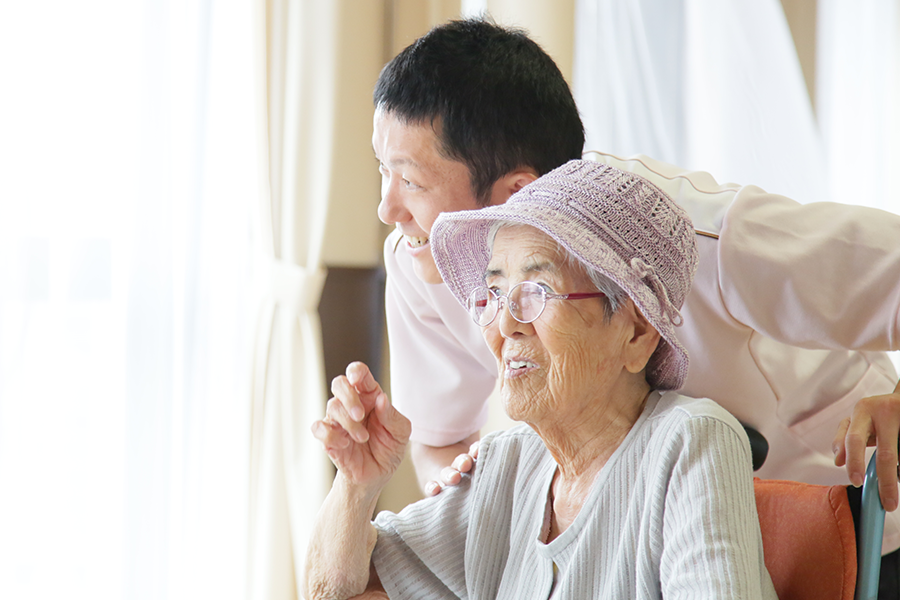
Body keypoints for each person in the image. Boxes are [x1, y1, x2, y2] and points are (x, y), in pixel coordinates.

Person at [367, 16, 900, 591]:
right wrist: (470, 499)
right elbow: (439, 437)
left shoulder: (702, 235)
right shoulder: (419, 260)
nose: (386, 209)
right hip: (645, 549)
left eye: (410, 182)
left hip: (854, 525)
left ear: (519, 191)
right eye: (381, 171)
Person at [304, 161, 778, 600]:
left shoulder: (692, 443)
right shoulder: (507, 463)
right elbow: (335, 589)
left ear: (636, 333)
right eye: (494, 292)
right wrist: (356, 486)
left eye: (538, 291)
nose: (506, 323)